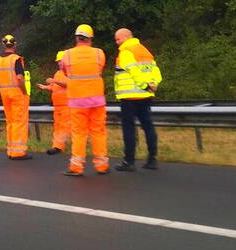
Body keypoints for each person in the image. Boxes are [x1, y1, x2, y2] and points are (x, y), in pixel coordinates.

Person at [61, 24, 109, 176]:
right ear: (91, 38)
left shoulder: (67, 55)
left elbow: (65, 72)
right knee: (98, 132)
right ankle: (102, 166)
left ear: (76, 38)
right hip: (97, 100)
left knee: (79, 133)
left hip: (77, 101)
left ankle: (76, 167)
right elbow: (100, 69)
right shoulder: (99, 53)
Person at [113, 28, 163, 171]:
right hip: (145, 97)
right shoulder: (144, 50)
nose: (117, 42)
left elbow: (134, 72)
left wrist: (145, 85)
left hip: (129, 97)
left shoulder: (126, 52)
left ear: (127, 37)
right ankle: (152, 159)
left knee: (129, 129)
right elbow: (156, 71)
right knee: (148, 126)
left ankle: (129, 161)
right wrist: (153, 85)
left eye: (118, 39)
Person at [0, 34, 31, 160]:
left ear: (3, 45)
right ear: (15, 45)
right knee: (19, 122)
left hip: (5, 94)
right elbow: (20, 78)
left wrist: (3, 89)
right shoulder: (16, 59)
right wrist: (24, 91)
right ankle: (18, 152)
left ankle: (11, 150)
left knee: (10, 122)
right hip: (16, 93)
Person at [37, 51, 70, 155]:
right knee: (58, 126)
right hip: (57, 106)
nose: (59, 63)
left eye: (61, 61)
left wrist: (54, 81)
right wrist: (45, 87)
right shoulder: (58, 73)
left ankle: (59, 146)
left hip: (67, 105)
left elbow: (68, 84)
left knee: (64, 126)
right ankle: (57, 146)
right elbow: (55, 88)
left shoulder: (70, 72)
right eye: (58, 61)